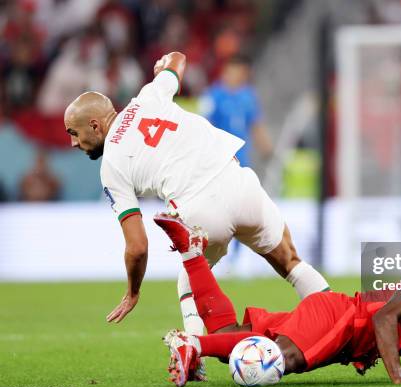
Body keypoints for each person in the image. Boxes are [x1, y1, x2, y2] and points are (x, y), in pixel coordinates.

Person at [63, 52, 330, 342]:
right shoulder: (148, 96)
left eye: (73, 133)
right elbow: (178, 58)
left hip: (200, 211)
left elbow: (137, 247)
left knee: (189, 284)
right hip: (238, 182)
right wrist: (163, 64)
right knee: (291, 263)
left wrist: (133, 292)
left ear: (94, 125)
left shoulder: (111, 167)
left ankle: (194, 347)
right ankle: (339, 321)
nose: (73, 142)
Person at [158, 221, 401, 386]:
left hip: (346, 337)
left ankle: (192, 253)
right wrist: (397, 376)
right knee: (280, 360)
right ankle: (190, 345)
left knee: (232, 341)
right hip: (343, 316)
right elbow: (386, 319)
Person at [199, 54, 273, 167]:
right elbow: (205, 125)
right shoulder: (213, 96)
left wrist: (267, 149)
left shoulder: (248, 96)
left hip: (241, 160)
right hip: (219, 160)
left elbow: (255, 125)